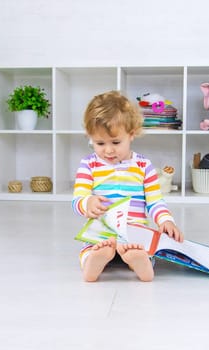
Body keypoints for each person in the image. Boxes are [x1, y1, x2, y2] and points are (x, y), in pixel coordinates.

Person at [72, 90, 184, 282]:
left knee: (143, 248)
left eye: (116, 142)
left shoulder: (143, 166)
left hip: (133, 232)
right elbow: (77, 200)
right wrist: (87, 202)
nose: (108, 150)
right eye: (99, 143)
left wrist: (166, 221)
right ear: (90, 137)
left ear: (131, 134)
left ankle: (140, 263)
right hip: (101, 233)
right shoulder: (88, 164)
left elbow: (155, 201)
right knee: (90, 248)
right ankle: (93, 263)